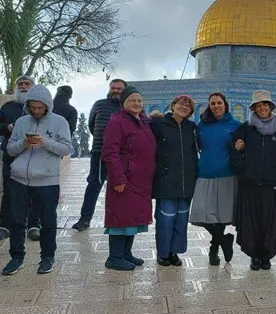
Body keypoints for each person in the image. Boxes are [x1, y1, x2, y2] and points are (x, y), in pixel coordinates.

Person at [1, 86, 72, 275]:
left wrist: (45, 142)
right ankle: (16, 257)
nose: (36, 111)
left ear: (47, 106)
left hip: (47, 180)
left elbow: (66, 149)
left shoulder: (60, 122)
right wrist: (23, 143)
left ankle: (47, 257)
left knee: (48, 221)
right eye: (32, 107)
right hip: (19, 179)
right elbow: (10, 149)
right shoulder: (21, 122)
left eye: (40, 107)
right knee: (16, 220)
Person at [231, 90, 276, 271]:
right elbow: (234, 151)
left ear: (271, 107)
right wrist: (241, 161)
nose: (262, 108)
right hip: (249, 184)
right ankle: (254, 256)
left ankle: (266, 256)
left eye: (265, 104)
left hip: (272, 186)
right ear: (254, 108)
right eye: (259, 105)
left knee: (270, 223)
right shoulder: (246, 128)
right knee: (251, 223)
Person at [101, 86, 156, 270]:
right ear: (124, 103)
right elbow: (110, 152)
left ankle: (126, 253)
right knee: (120, 218)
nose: (137, 103)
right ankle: (114, 257)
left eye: (139, 100)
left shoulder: (142, 121)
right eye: (132, 100)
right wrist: (117, 179)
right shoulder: (117, 122)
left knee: (131, 218)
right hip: (125, 178)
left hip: (140, 180)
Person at [0, 75, 40, 243]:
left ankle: (33, 226)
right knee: (9, 191)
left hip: (34, 155)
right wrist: (7, 127)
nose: (23, 86)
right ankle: (4, 226)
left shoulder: (40, 107)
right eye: (21, 84)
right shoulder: (8, 107)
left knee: (34, 191)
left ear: (33, 87)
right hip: (12, 155)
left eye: (27, 84)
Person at [191, 92, 240, 266]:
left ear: (225, 105)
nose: (216, 106)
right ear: (209, 105)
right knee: (200, 212)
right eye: (213, 103)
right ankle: (224, 240)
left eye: (219, 103)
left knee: (220, 215)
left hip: (227, 173)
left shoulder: (235, 125)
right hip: (204, 172)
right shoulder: (202, 125)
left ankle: (213, 250)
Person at [150, 95, 199, 267]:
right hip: (166, 179)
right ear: (173, 105)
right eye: (181, 103)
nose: (184, 107)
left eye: (188, 105)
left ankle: (174, 252)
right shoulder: (158, 124)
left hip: (186, 180)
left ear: (191, 111)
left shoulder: (191, 127)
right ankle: (163, 253)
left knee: (181, 219)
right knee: (165, 219)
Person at [73, 78, 127, 231]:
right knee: (94, 184)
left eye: (119, 89)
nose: (116, 91)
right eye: (113, 88)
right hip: (100, 152)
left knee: (120, 186)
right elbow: (92, 125)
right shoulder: (99, 104)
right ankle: (85, 219)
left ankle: (118, 219)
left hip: (120, 155)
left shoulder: (128, 106)